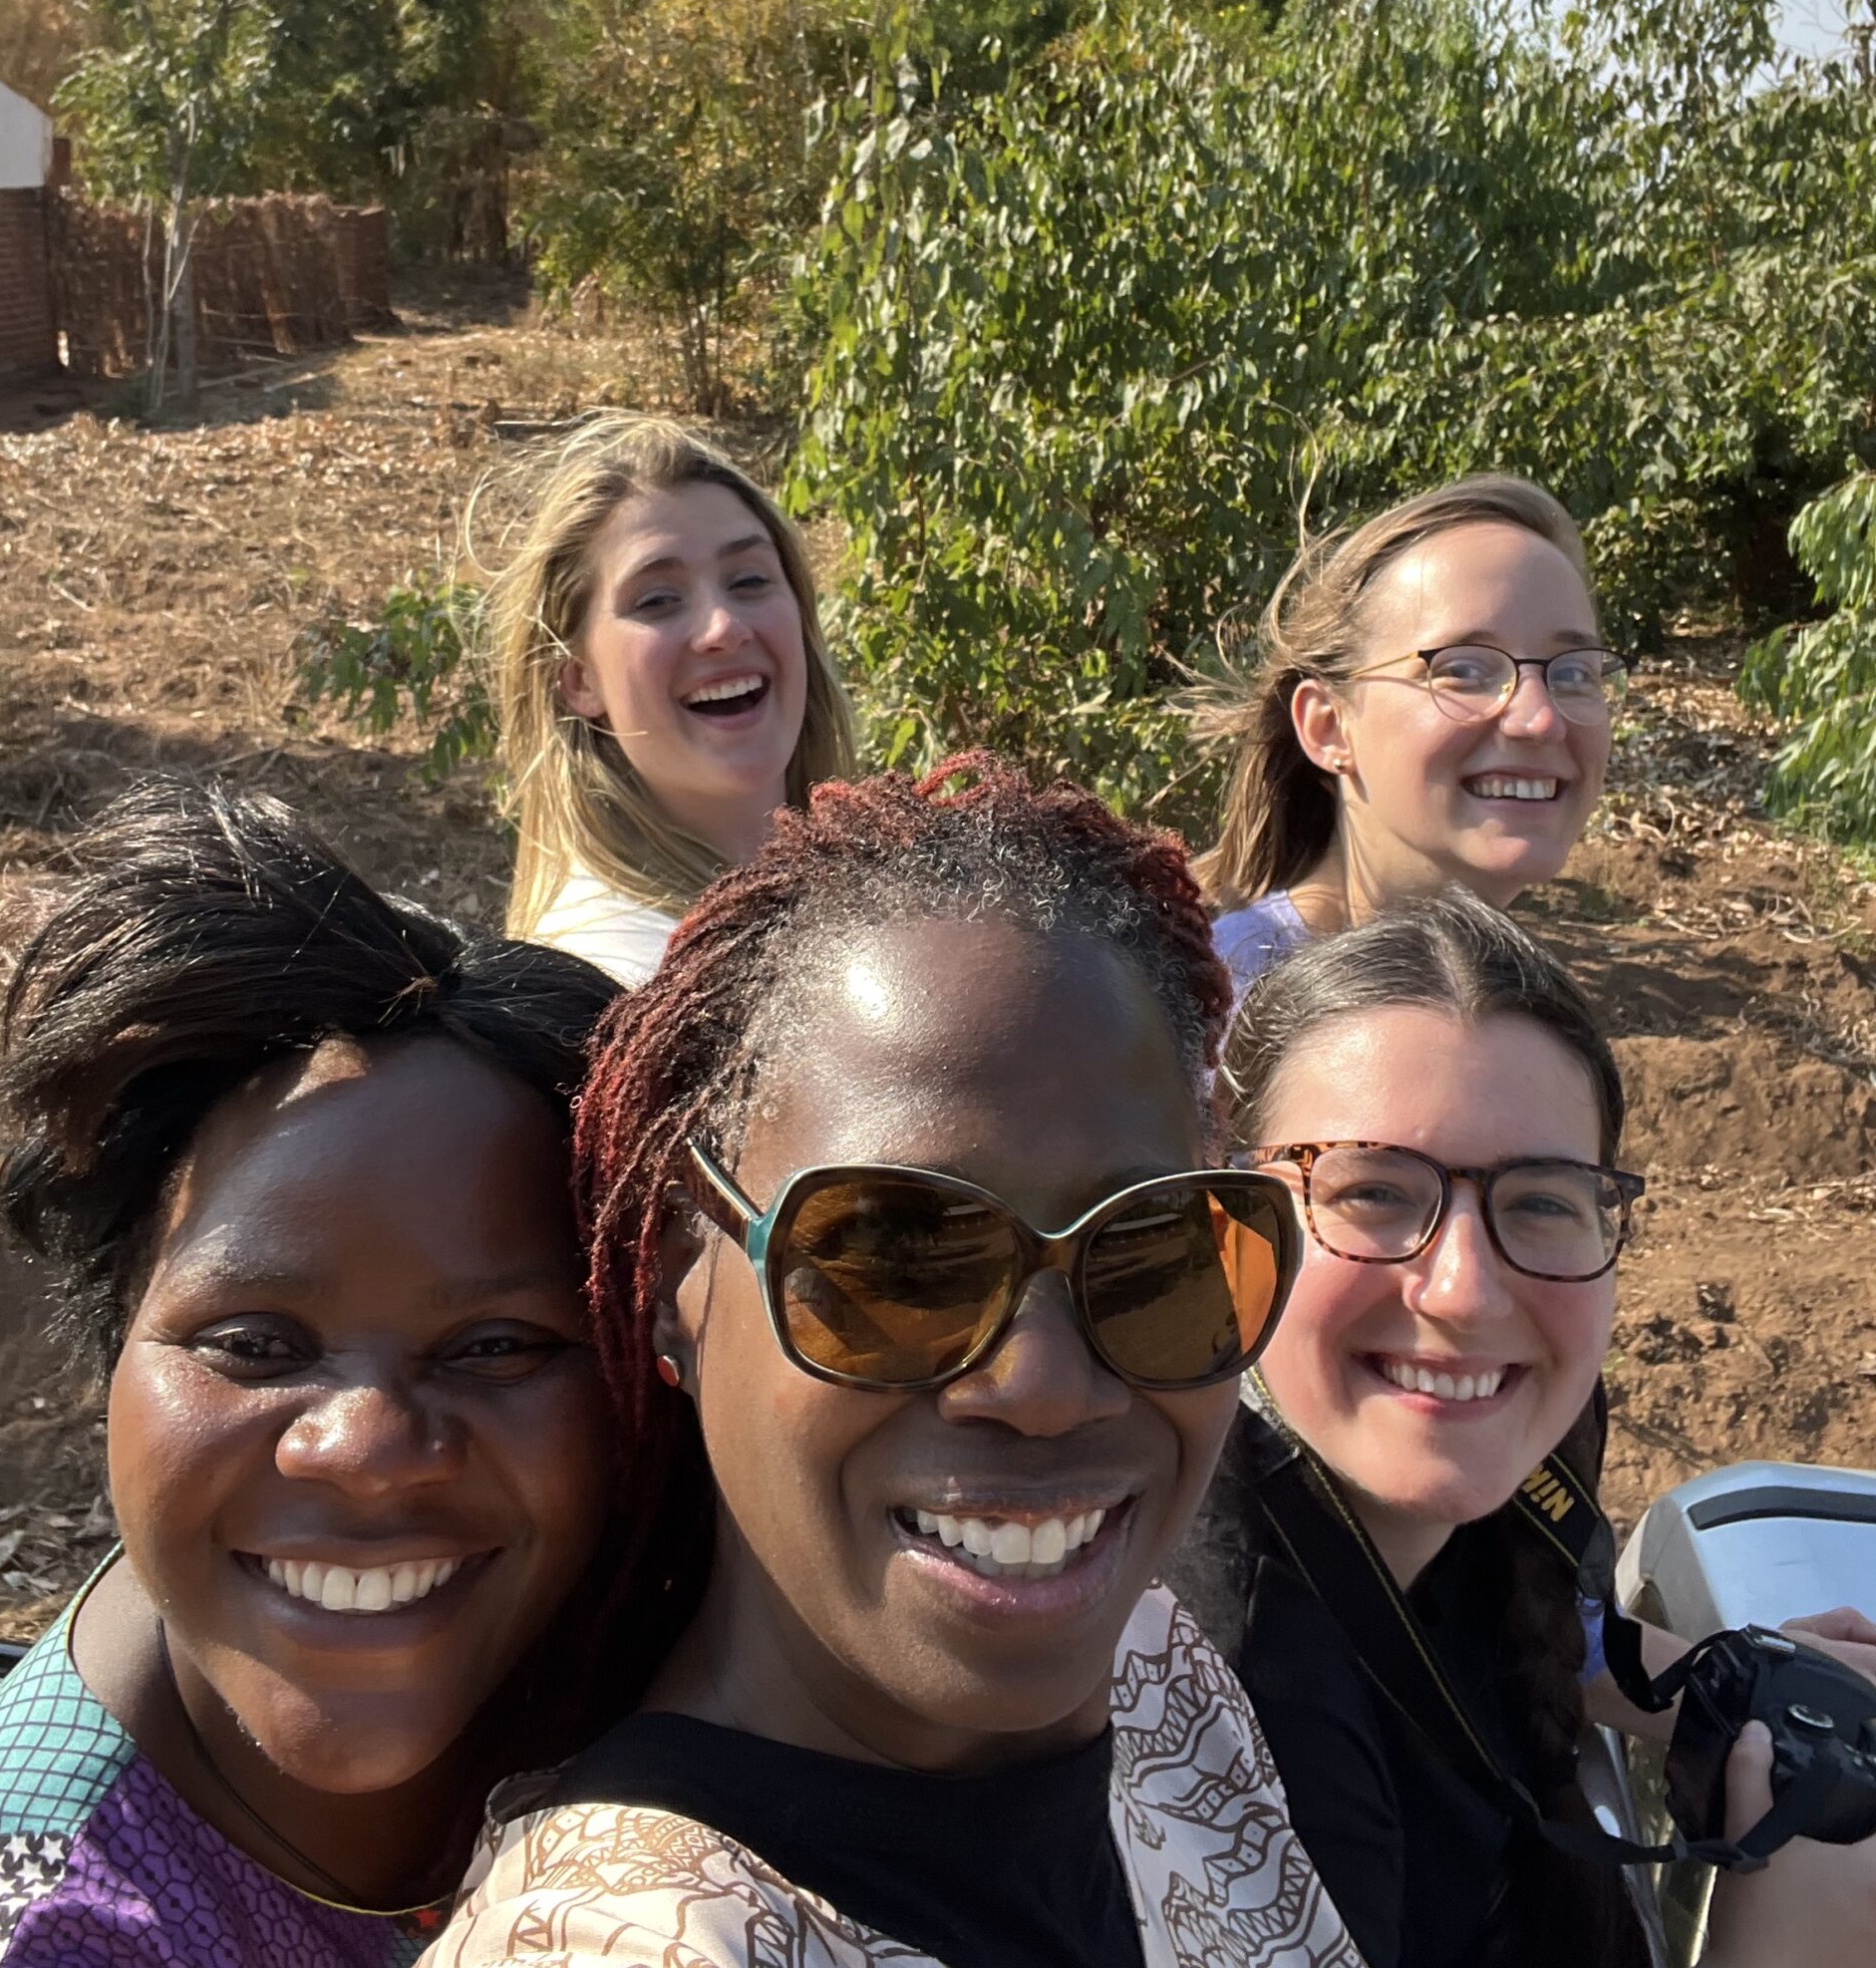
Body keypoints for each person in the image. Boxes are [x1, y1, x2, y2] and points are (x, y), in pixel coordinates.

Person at [424, 756, 1364, 1968]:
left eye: (1155, 1249)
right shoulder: (634, 1941)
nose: (1046, 1385)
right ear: (671, 1279)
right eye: (896, 1258)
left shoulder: (1153, 1672)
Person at [0, 782, 623, 1966]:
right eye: (255, 1347)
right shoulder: (44, 1929)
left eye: (495, 1347)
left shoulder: (657, 1646)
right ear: (114, 1347)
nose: (362, 1446)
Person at [1170, 893, 1876, 1968]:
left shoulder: (1448, 1496)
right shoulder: (1220, 1721)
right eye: (1370, 1191)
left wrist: (1733, 1678)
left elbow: (1520, 1628)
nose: (1461, 1288)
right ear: (1231, 1233)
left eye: (1542, 1201)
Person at [1191, 476, 1618, 1001]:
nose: (1540, 719)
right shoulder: (1209, 1016)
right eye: (1464, 670)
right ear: (1328, 727)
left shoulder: (1515, 1006)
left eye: (1574, 674)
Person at [486, 414, 856, 985]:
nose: (724, 627)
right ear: (581, 681)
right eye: (657, 600)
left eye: (750, 581)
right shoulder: (612, 985)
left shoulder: (877, 890)